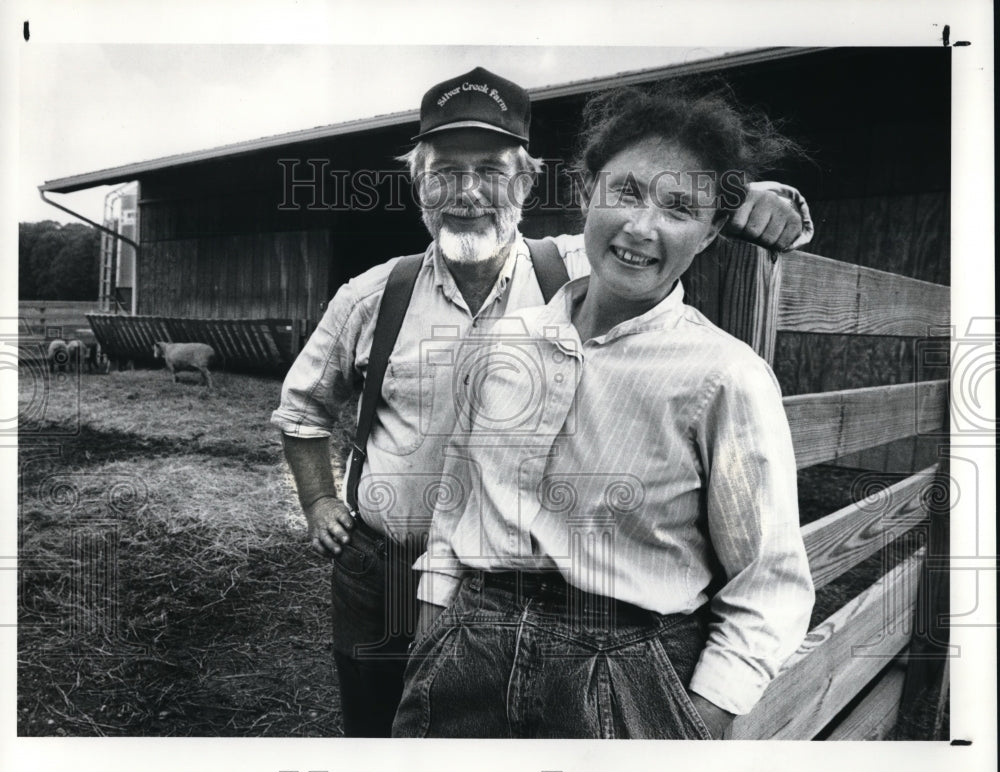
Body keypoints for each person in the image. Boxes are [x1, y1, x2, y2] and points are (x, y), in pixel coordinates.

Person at [271, 66, 814, 737]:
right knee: (378, 730)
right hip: (391, 570)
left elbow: (648, 226)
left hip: (597, 633)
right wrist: (323, 503)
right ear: (419, 185)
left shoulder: (580, 269)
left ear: (528, 184)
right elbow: (303, 412)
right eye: (444, 172)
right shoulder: (372, 295)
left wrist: (742, 197)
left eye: (492, 171)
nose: (468, 193)